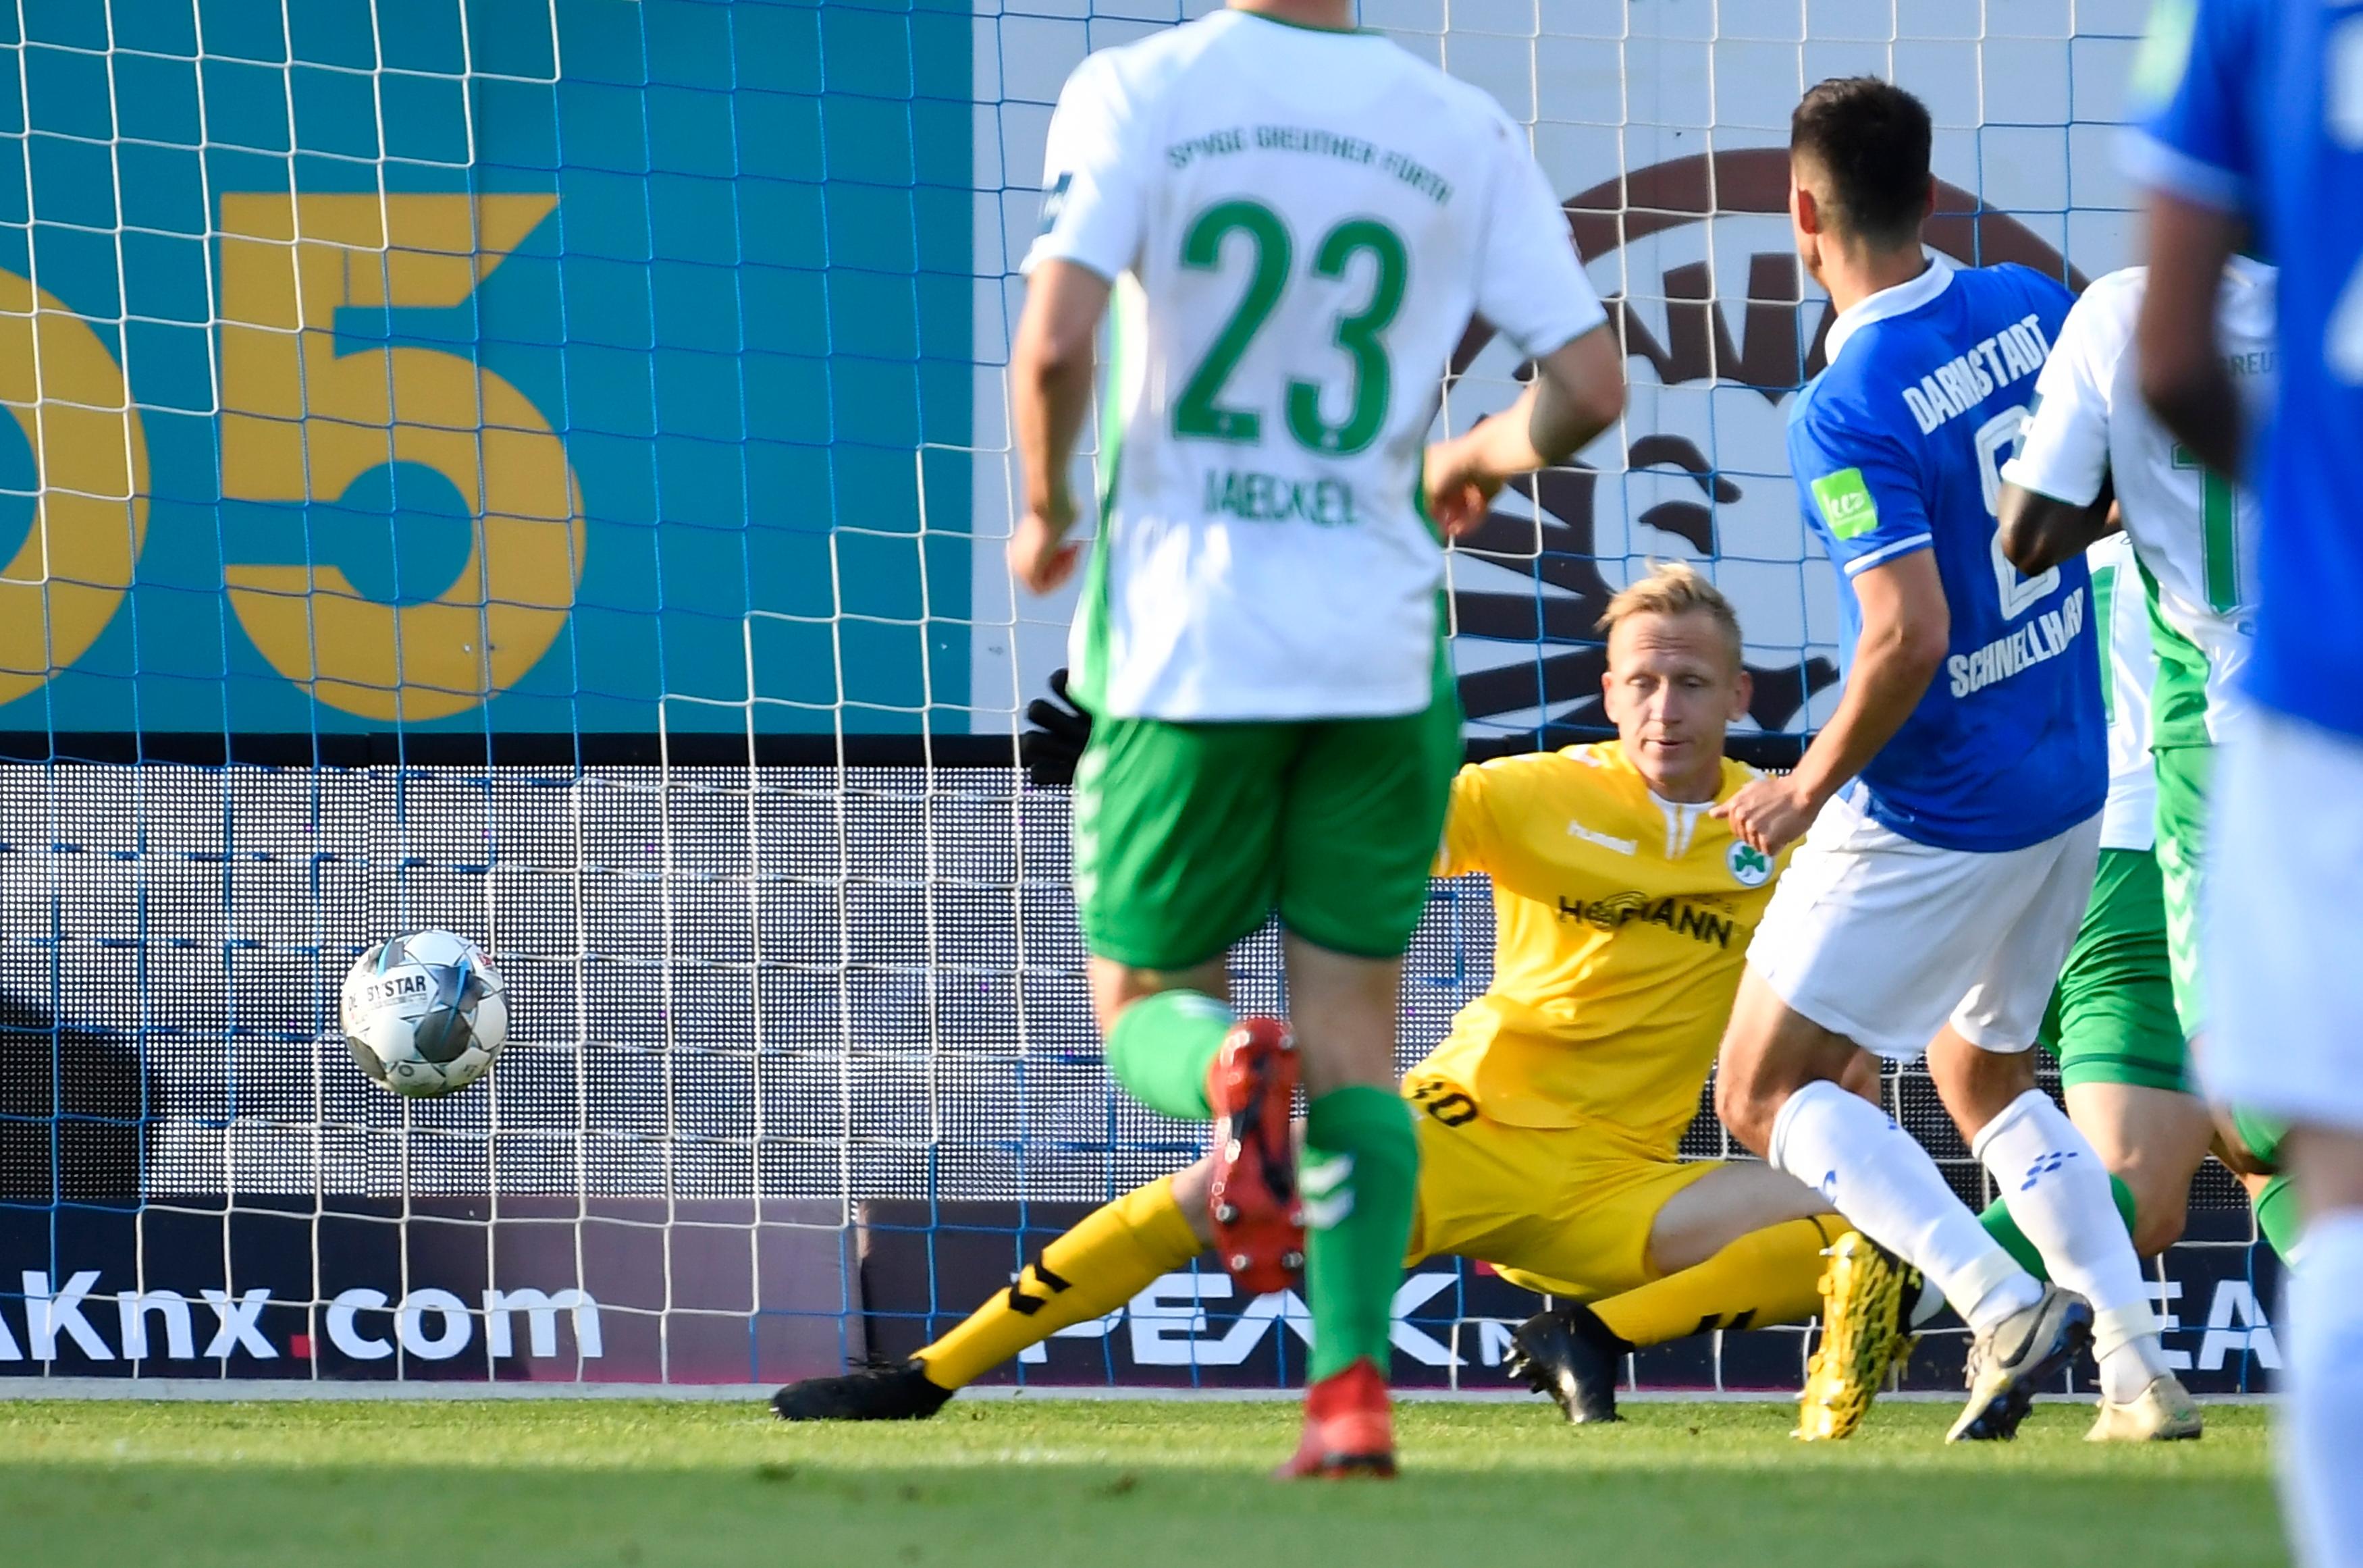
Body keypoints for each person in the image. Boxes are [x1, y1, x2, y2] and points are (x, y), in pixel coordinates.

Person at [773, 567, 1913, 1430]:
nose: (1667, 707)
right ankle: (924, 1377)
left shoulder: (1792, 835)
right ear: (1610, 694)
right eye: (1646, 683)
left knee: (1879, 1223)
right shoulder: (1531, 795)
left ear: (1739, 695)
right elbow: (1336, 844)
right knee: (1213, 1197)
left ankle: (1589, 1336)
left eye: (1693, 683)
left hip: (1619, 1185)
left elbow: (1836, 1023)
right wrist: (1146, 778)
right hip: (1458, 1132)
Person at [1001, 0, 1624, 1476]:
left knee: (1147, 1003)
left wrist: (1044, 510)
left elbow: (1055, 347)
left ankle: (1230, 1072)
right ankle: (1349, 1395)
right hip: (1383, 655)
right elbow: (1593, 389)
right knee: (1356, 1051)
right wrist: (1477, 453)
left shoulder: (1139, 87)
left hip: (1189, 648)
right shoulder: (1457, 123)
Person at [1708, 76, 2196, 1444]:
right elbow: (2114, 489)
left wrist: (1804, 786)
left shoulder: (1842, 402)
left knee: (1760, 1087)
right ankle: (2137, 1368)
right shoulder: (2030, 307)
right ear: (1930, 195)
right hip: (2071, 773)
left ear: (1800, 213)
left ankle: (1996, 1300)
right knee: (1982, 1074)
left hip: (1942, 803)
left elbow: (1906, 633)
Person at [2125, 1, 2363, 1561]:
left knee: (2339, 1179)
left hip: (2323, 683)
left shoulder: (2242, 13)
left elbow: (2170, 354)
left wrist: (2307, 519)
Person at [1995, 254, 2297, 1262]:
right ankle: (1927, 1264)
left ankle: (1922, 1261)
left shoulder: (2120, 320)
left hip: (2130, 810)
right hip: (2194, 804)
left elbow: (2024, 536)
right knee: (2237, 1141)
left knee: (2195, 1168)